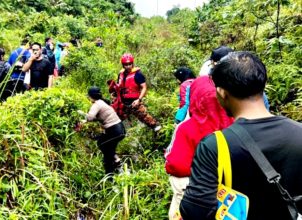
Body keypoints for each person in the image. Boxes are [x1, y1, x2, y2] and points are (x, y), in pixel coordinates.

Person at [180, 51, 302, 220]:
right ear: (263, 85)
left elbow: (196, 211)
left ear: (222, 92)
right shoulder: (299, 132)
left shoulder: (215, 145)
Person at [165, 76, 234, 219]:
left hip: (191, 189)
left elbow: (175, 164)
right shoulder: (234, 124)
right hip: (228, 189)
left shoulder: (186, 128)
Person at [78, 86, 126, 174]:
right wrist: (85, 120)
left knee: (101, 143)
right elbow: (98, 117)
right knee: (107, 152)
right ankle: (114, 172)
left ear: (90, 96)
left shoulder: (96, 104)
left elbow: (90, 117)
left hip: (114, 130)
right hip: (119, 129)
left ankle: (117, 163)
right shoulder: (102, 102)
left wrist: (82, 114)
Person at [111, 53, 161, 132]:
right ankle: (114, 132)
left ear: (132, 63)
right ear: (123, 65)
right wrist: (114, 93)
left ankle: (156, 127)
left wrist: (139, 99)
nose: (128, 66)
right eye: (126, 64)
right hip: (123, 102)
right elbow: (119, 86)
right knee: (116, 117)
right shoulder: (120, 74)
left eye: (130, 64)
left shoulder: (138, 74)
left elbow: (144, 87)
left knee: (144, 116)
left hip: (134, 101)